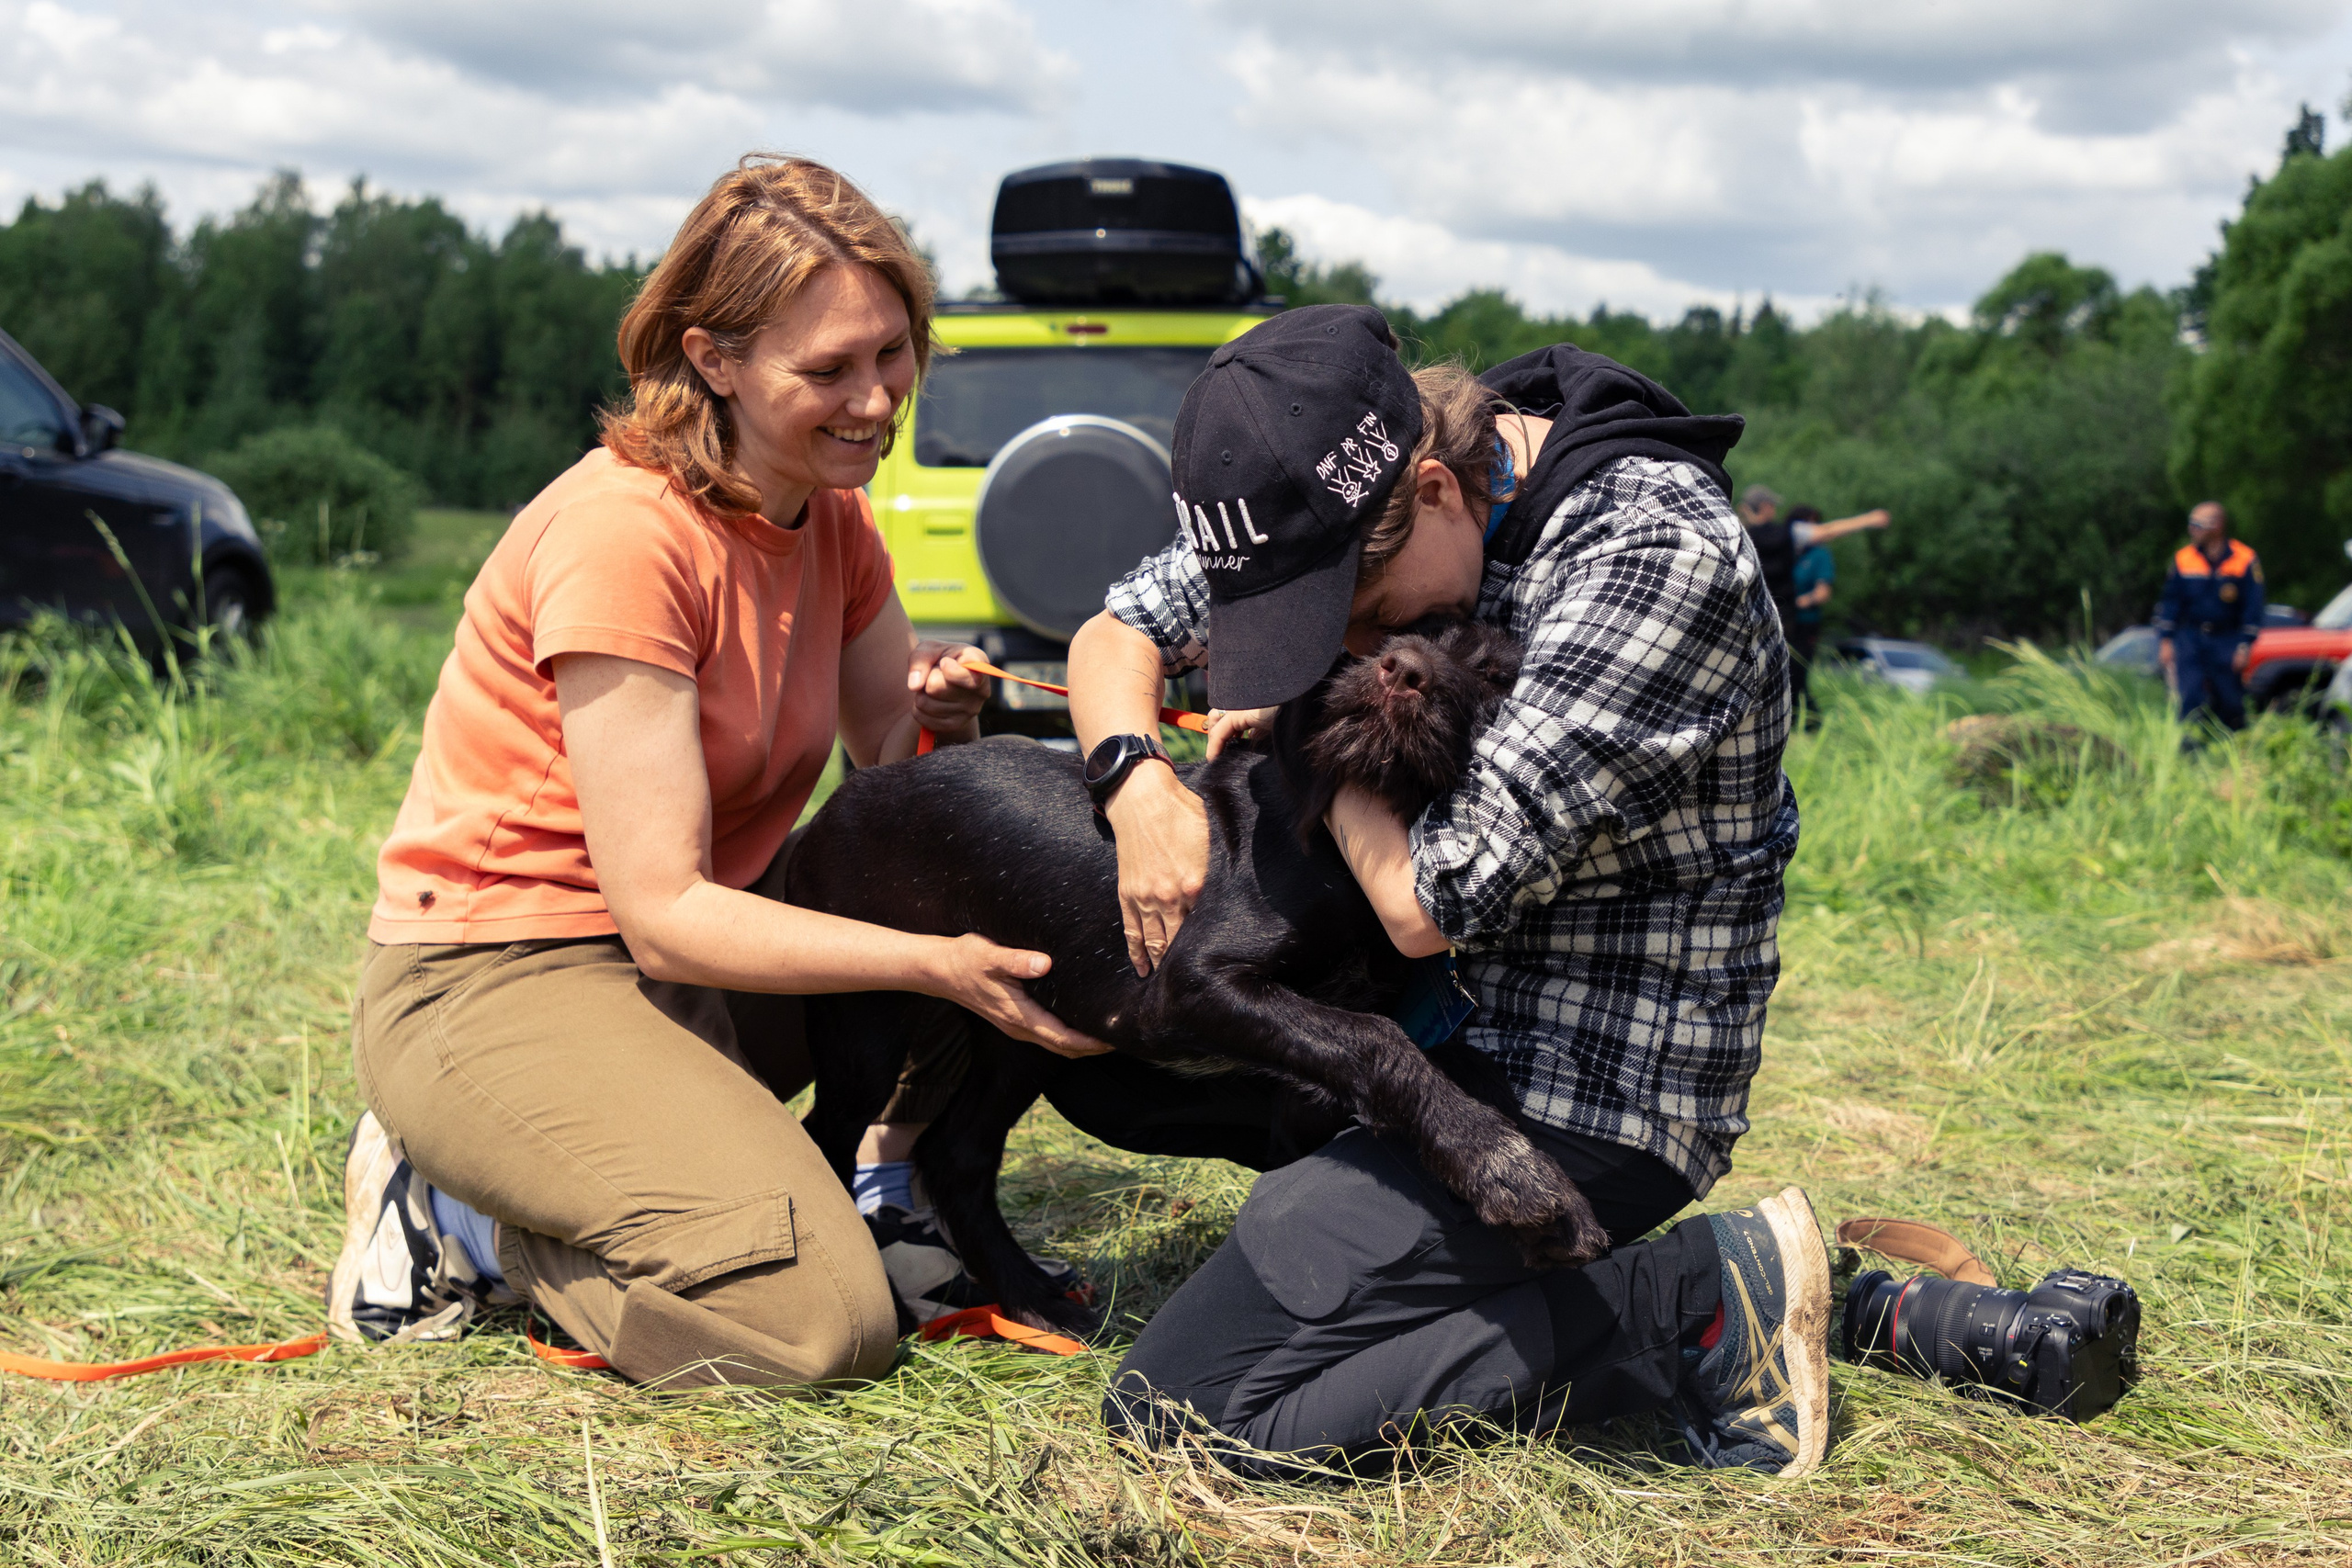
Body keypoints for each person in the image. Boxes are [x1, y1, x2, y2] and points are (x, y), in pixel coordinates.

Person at [325, 155, 1106, 1389]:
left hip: (680, 964)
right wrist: (931, 966)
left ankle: (887, 1187)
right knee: (823, 1329)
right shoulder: (624, 537)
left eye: (894, 354)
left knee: (983, 881)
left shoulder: (833, 519)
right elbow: (667, 912)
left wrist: (946, 735)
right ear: (715, 358)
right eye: (829, 371)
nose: (876, 400)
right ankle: (464, 1215)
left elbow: (894, 795)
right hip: (501, 976)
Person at [1060, 305, 1833, 1478]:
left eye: (1361, 618)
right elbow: (1113, 633)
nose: (1349, 641)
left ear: (1431, 484)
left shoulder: (1649, 553)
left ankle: (1694, 1302)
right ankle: (1426, 1267)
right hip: (1417, 1050)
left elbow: (1435, 898)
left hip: (1580, 1086)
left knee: (1186, 1421)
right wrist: (1133, 786)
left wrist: (1312, 724)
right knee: (1114, 1054)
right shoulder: (1322, 506)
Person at [2154, 501, 2264, 735]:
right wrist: (2165, 641)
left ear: (2217, 526)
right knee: (2189, 697)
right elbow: (2171, 602)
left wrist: (2245, 645)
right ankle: (2189, 755)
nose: (2191, 530)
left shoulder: (2244, 558)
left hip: (2226, 638)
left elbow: (2253, 607)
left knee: (2230, 701)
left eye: (2197, 525)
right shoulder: (2184, 559)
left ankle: (2233, 750)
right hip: (2190, 637)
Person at [1787, 507, 1835, 728]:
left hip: (1806, 623)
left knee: (1798, 674)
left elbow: (1823, 593)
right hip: (1784, 621)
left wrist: (1800, 602)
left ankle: (1811, 722)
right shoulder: (1788, 550)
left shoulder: (1820, 555)